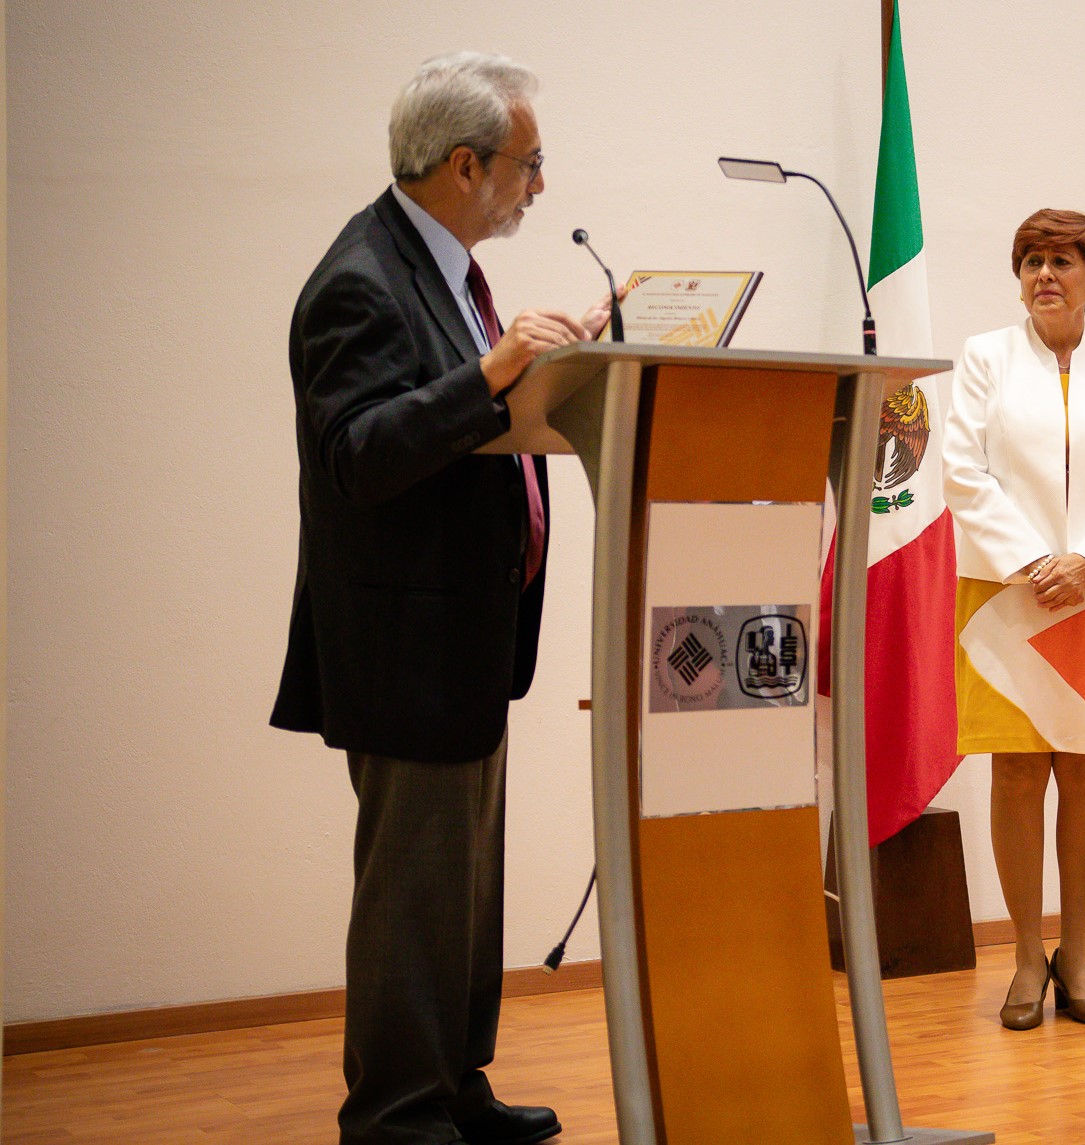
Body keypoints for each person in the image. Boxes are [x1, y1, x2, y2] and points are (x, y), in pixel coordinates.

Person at [270, 52, 613, 1144]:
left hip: (461, 635)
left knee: (460, 892)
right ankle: (396, 1113)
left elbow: (463, 418)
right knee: (412, 896)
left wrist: (549, 369)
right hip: (404, 645)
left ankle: (453, 1087)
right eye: (529, 163)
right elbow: (359, 453)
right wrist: (493, 371)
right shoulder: (360, 279)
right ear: (466, 165)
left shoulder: (440, 268)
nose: (539, 185)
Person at [942, 208, 1085, 1031]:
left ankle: (1074, 954)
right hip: (1006, 590)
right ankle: (1023, 955)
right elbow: (962, 471)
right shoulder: (985, 357)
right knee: (1013, 771)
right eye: (1031, 261)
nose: (1044, 274)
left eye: (1062, 261)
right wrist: (1032, 561)